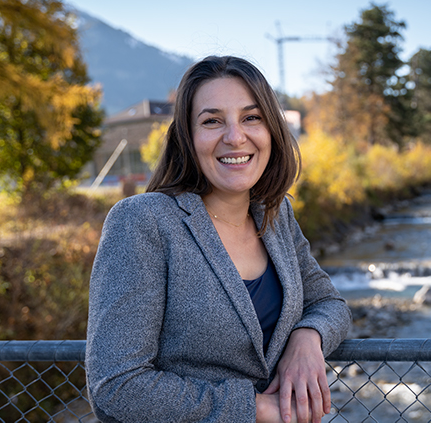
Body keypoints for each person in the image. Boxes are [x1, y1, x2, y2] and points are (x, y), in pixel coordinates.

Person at [85, 55, 351, 423]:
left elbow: (329, 302)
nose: (235, 136)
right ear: (187, 138)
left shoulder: (275, 216)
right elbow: (117, 385)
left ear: (271, 130)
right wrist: (253, 409)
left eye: (251, 118)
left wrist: (307, 339)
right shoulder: (143, 221)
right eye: (212, 121)